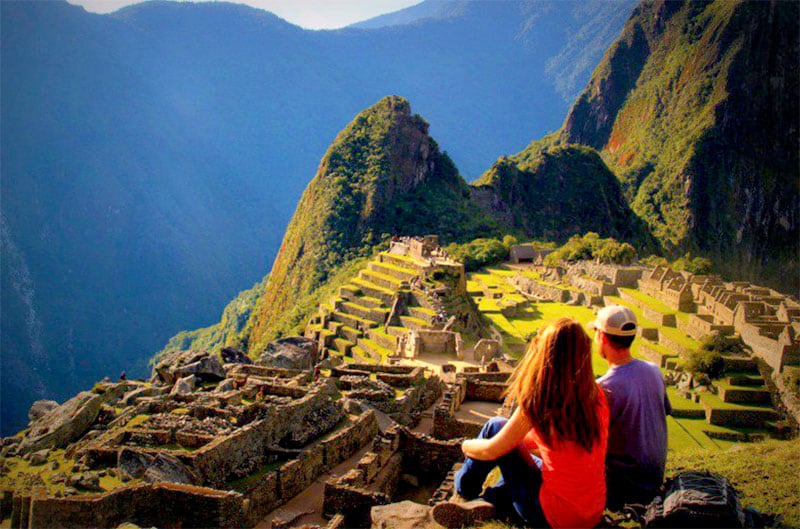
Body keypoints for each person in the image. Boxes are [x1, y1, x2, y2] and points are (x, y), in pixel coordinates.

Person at [433, 318, 609, 528]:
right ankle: (490, 502)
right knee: (520, 456)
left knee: (495, 426)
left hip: (550, 517)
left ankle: (463, 493)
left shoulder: (543, 398)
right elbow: (539, 447)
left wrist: (465, 445)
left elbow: (491, 450)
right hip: (590, 513)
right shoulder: (596, 395)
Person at [591, 305, 672, 510]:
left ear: (602, 336)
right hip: (653, 481)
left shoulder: (606, 388)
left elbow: (586, 441)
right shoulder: (654, 371)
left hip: (621, 488)